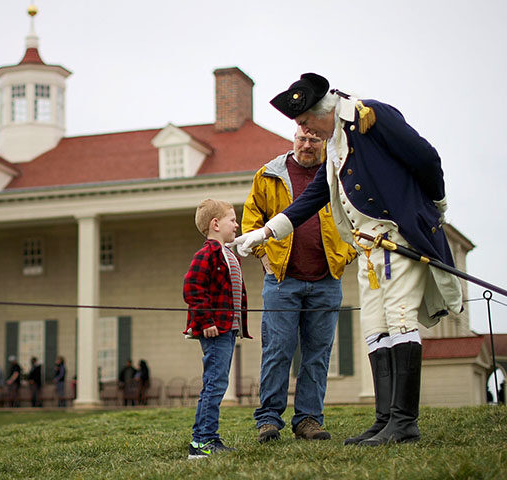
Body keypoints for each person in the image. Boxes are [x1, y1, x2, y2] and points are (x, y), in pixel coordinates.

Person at [230, 73, 463, 446]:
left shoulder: (374, 118)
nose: (304, 130)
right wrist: (265, 232)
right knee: (375, 327)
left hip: (396, 238)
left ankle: (404, 423)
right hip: (369, 249)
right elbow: (315, 197)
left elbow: (426, 158)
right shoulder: (336, 143)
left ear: (323, 111)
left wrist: (435, 204)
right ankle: (385, 420)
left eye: (305, 122)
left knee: (400, 320)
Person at [243, 126, 357, 443]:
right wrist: (264, 257)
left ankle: (308, 420)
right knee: (277, 351)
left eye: (313, 139)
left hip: (326, 281)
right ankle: (268, 420)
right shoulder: (268, 175)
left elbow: (356, 219)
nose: (307, 144)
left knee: (317, 355)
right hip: (282, 281)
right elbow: (251, 221)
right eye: (301, 138)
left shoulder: (339, 175)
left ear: (325, 143)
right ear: (294, 140)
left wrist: (344, 255)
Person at [183, 198, 252, 459]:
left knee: (217, 382)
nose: (236, 225)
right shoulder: (208, 253)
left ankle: (208, 437)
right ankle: (201, 442)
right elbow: (192, 288)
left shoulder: (227, 253)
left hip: (226, 329)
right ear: (215, 224)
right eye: (232, 220)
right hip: (215, 330)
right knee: (214, 383)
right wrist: (207, 321)